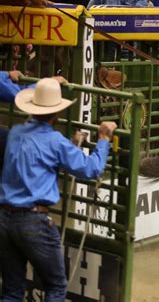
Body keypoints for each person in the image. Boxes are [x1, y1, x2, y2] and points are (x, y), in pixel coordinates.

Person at [0, 78, 117, 301]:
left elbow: (38, 159)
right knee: (55, 285)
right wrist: (103, 139)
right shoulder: (55, 141)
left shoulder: (15, 133)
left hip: (5, 218)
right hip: (33, 222)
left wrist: (71, 146)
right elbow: (91, 169)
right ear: (56, 114)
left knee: (12, 289)